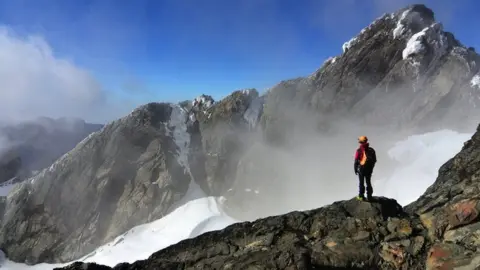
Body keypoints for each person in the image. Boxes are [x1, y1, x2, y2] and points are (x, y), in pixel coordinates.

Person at [354, 135, 377, 201]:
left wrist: (355, 169)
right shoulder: (372, 150)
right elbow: (374, 160)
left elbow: (356, 161)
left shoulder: (358, 150)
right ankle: (369, 196)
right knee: (368, 182)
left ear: (360, 142)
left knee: (361, 182)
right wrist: (371, 168)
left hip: (361, 169)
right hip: (369, 169)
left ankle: (361, 196)